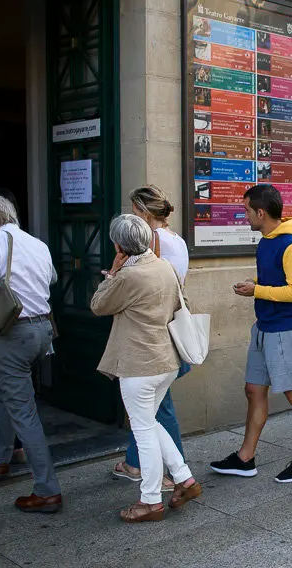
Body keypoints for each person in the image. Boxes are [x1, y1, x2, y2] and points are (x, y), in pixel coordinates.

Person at [90, 214, 201, 522]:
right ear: (148, 239)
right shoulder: (164, 267)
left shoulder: (128, 276)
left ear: (118, 245)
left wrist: (112, 273)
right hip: (166, 361)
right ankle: (184, 478)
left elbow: (98, 305)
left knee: (143, 431)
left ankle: (150, 500)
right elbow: (183, 305)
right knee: (151, 423)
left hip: (139, 365)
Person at [210, 184, 292, 483]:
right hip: (264, 328)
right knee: (253, 390)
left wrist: (257, 289)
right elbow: (278, 278)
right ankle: (245, 458)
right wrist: (256, 282)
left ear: (261, 212)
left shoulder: (291, 245)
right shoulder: (267, 241)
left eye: (246, 210)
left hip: (285, 330)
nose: (243, 215)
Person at [0, 196, 62, 513]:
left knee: (24, 411)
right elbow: (52, 279)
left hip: (13, 332)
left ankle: (47, 490)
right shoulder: (36, 243)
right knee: (10, 391)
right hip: (41, 330)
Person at [111, 185, 190, 492]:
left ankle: (171, 474)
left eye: (134, 211)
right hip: (168, 328)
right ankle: (136, 462)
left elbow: (144, 285)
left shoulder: (153, 242)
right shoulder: (177, 239)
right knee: (150, 408)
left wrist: (114, 278)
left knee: (158, 409)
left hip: (152, 336)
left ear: (144, 213)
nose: (133, 217)